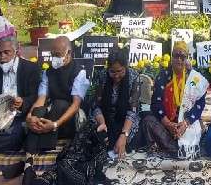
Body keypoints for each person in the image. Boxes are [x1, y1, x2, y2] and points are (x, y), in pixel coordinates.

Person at [22, 50, 140, 185]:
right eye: (112, 72)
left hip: (125, 122)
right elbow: (96, 106)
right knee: (86, 137)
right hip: (104, 117)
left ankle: (77, 172)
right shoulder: (102, 76)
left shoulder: (134, 77)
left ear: (126, 67)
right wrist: (102, 123)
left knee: (105, 146)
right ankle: (55, 172)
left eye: (120, 71)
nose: (116, 76)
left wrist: (124, 135)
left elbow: (133, 110)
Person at [4, 36, 90, 179]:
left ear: (68, 53)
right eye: (52, 54)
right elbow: (41, 99)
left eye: (58, 55)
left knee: (60, 103)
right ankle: (28, 164)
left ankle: (25, 162)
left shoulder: (79, 73)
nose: (54, 58)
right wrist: (30, 116)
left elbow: (75, 105)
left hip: (68, 120)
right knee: (39, 110)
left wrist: (55, 124)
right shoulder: (48, 72)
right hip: (51, 119)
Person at [141, 41, 208, 159]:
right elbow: (156, 103)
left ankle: (169, 148)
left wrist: (186, 123)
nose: (179, 60)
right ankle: (178, 149)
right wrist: (168, 124)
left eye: (182, 57)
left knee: (199, 126)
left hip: (186, 123)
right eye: (176, 56)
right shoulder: (163, 75)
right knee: (148, 121)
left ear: (187, 59)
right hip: (167, 123)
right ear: (171, 57)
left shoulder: (193, 78)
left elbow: (200, 104)